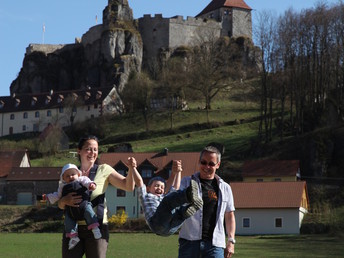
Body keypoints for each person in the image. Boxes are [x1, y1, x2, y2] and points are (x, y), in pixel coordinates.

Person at [57, 135, 135, 258]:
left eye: (95, 149)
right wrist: (64, 201)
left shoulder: (104, 169)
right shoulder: (69, 173)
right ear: (79, 150)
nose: (92, 153)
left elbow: (128, 186)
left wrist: (131, 169)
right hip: (73, 230)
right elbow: (60, 204)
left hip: (97, 227)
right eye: (88, 149)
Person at [178, 145, 236, 258]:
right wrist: (175, 173)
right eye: (203, 162)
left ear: (218, 165)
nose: (207, 166)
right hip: (189, 242)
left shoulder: (225, 188)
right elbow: (173, 200)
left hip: (215, 245)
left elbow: (229, 215)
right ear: (199, 162)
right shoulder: (186, 182)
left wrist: (231, 241)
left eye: (211, 164)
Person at [127, 157, 203, 236]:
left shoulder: (164, 197)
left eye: (162, 187)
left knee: (175, 203)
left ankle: (187, 210)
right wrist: (133, 168)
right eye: (156, 186)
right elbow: (139, 182)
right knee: (169, 201)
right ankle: (188, 195)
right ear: (148, 188)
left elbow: (175, 187)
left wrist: (178, 172)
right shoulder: (145, 196)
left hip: (170, 228)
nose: (159, 188)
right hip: (156, 223)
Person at [42, 163, 102, 250]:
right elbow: (57, 196)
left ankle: (95, 229)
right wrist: (47, 197)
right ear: (63, 178)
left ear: (78, 174)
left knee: (89, 212)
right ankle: (73, 238)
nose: (71, 177)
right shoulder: (62, 187)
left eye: (73, 174)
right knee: (68, 221)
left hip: (83, 205)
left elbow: (87, 182)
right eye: (67, 176)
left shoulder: (81, 179)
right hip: (70, 210)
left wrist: (91, 185)